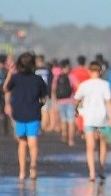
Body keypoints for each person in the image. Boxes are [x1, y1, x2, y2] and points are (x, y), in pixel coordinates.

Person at [3, 52, 47, 180]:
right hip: (33, 113)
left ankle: (22, 172)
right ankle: (33, 167)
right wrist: (40, 105)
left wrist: (10, 72)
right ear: (33, 65)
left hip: (19, 114)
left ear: (19, 65)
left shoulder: (16, 78)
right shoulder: (38, 79)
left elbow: (5, 88)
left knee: (22, 143)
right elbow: (44, 98)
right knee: (33, 143)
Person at [74, 61, 111, 181]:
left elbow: (76, 99)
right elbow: (109, 102)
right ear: (101, 71)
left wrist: (76, 110)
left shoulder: (84, 85)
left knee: (90, 147)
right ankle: (101, 169)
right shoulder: (105, 84)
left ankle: (92, 173)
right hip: (102, 118)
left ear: (89, 71)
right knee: (103, 145)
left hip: (89, 118)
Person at [53, 59, 77, 146]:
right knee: (71, 120)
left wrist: (54, 102)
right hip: (70, 101)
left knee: (63, 119)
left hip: (60, 101)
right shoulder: (71, 76)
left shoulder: (57, 77)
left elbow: (53, 90)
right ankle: (71, 139)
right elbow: (77, 87)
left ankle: (64, 135)